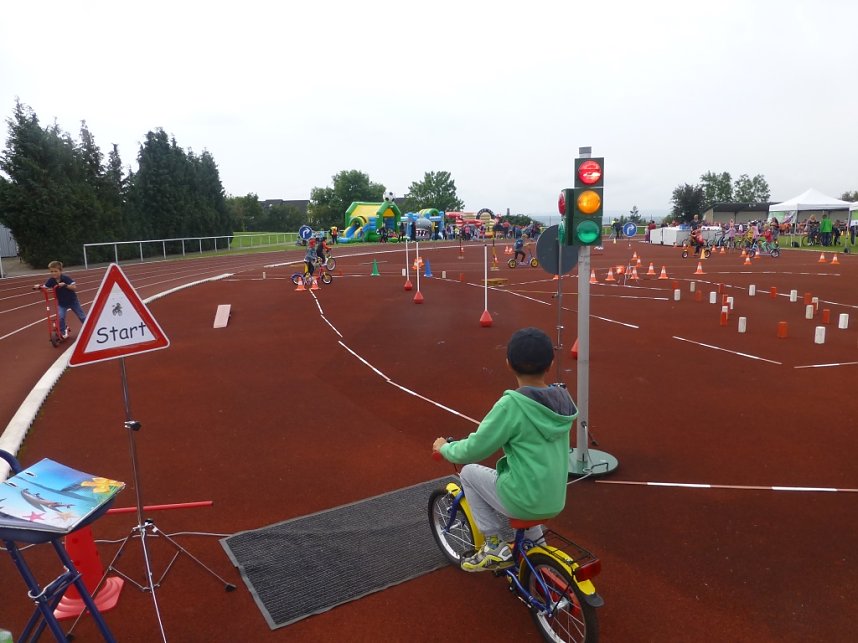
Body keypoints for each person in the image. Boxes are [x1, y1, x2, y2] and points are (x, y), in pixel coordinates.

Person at [432, 327, 578, 572]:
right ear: (550, 363)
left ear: (508, 363)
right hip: (554, 496)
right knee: (525, 481)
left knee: (468, 472)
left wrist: (446, 448)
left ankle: (493, 545)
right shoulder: (562, 399)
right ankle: (536, 544)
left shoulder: (512, 405)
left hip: (523, 498)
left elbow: (474, 449)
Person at [33, 260, 86, 339]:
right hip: (62, 303)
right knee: (60, 317)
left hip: (72, 301)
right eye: (51, 271)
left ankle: (89, 328)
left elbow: (74, 287)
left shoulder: (65, 278)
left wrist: (65, 285)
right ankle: (63, 331)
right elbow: (45, 288)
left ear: (61, 271)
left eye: (55, 271)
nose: (53, 273)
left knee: (82, 316)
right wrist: (39, 287)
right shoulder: (51, 280)